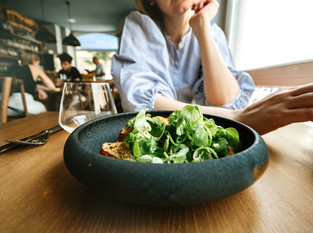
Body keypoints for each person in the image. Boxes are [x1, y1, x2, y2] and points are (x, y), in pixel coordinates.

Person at [111, 0, 313, 135]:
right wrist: (238, 118)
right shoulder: (138, 24)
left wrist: (202, 26)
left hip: (207, 137)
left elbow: (223, 100)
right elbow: (144, 102)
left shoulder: (213, 32)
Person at [5, 51, 57, 116]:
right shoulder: (34, 68)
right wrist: (39, 87)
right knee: (44, 108)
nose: (38, 66)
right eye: (38, 64)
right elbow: (52, 87)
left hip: (7, 107)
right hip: (25, 107)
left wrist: (37, 88)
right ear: (34, 61)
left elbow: (22, 84)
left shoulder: (11, 68)